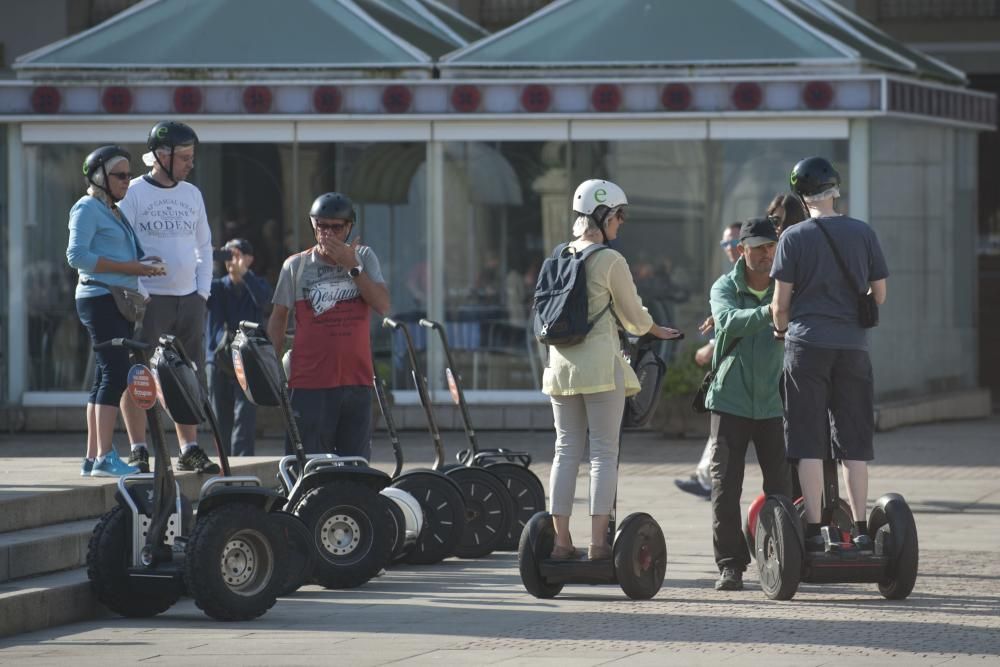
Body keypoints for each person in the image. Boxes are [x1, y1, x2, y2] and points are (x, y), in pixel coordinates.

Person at [545, 179, 682, 561]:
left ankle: (559, 542)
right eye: (619, 216)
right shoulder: (609, 260)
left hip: (559, 367)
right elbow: (634, 316)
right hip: (600, 368)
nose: (621, 223)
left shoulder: (558, 256)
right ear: (602, 215)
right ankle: (598, 543)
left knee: (565, 450)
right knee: (604, 452)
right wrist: (658, 330)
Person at [770, 156, 889, 552]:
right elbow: (880, 294)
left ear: (801, 196)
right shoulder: (863, 233)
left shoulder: (793, 237)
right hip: (853, 347)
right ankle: (859, 527)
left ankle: (815, 527)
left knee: (808, 439)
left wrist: (781, 329)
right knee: (853, 440)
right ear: (835, 190)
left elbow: (778, 304)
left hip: (806, 346)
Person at [118, 121, 219, 474]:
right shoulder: (132, 193)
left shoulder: (192, 194)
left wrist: (202, 292)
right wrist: (141, 292)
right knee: (139, 373)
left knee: (187, 374)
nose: (191, 163)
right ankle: (138, 448)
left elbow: (204, 246)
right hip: (150, 300)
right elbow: (121, 245)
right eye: (185, 157)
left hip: (188, 298)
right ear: (162, 156)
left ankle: (189, 447)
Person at [705, 217, 793, 591]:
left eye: (771, 246)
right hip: (730, 401)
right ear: (742, 250)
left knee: (782, 489)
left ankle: (786, 559)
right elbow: (726, 320)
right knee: (726, 487)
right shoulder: (725, 286)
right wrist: (771, 312)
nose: (766, 253)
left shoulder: (786, 286)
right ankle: (730, 565)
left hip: (773, 403)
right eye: (758, 247)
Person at [66, 146, 165, 477]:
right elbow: (76, 255)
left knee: (102, 377)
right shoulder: (87, 208)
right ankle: (105, 457)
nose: (127, 180)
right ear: (99, 177)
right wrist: (132, 268)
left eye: (128, 174)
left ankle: (93, 456)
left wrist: (143, 267)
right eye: (120, 175)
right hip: (101, 297)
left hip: (110, 297)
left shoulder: (112, 210)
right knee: (114, 374)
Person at [267, 192, 390, 459]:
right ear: (313, 225)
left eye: (337, 227)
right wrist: (271, 370)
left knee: (355, 466)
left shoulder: (364, 257)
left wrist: (352, 267)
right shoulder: (296, 265)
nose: (329, 234)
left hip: (356, 380)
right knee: (308, 465)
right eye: (322, 226)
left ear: (349, 228)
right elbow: (278, 318)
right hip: (309, 382)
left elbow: (382, 305)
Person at [674, 222, 743, 499]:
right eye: (724, 244)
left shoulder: (754, 277)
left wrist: (713, 346)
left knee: (726, 425)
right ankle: (707, 478)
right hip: (737, 365)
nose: (728, 249)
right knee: (724, 427)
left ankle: (708, 479)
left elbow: (738, 322)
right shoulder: (733, 277)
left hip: (744, 365)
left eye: (732, 243)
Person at [205, 238, 272, 456]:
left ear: (250, 259)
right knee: (220, 419)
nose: (230, 260)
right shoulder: (215, 286)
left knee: (245, 418)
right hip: (218, 359)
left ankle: (243, 466)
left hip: (248, 360)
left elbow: (265, 302)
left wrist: (244, 274)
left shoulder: (258, 284)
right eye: (227, 255)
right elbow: (197, 291)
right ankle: (225, 468)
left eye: (236, 255)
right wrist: (205, 259)